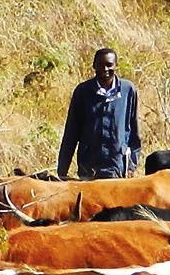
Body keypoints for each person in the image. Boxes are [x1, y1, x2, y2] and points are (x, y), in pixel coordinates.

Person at [57, 47, 140, 180]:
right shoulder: (83, 91)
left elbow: (133, 131)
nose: (105, 69)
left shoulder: (127, 90)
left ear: (116, 65)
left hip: (117, 166)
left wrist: (132, 165)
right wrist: (62, 171)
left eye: (109, 65)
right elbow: (71, 133)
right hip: (89, 167)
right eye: (101, 65)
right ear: (94, 66)